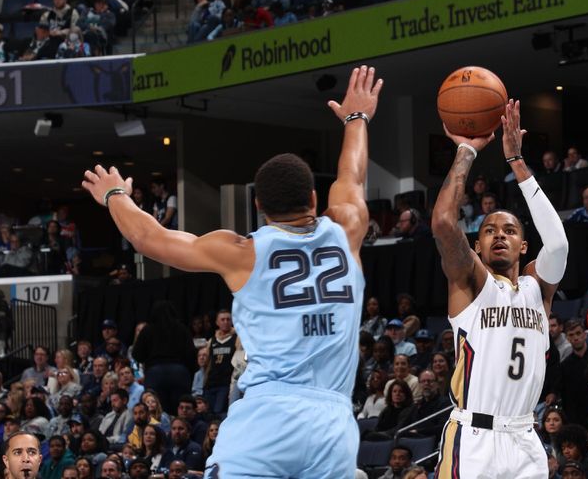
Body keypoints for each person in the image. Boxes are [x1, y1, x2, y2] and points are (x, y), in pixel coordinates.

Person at [82, 66, 382, 477]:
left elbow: (148, 238)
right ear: (314, 196)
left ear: (258, 205)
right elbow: (352, 174)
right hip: (333, 420)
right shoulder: (347, 228)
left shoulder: (242, 252)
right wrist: (356, 119)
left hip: (268, 414)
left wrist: (115, 194)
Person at [430, 99, 568, 479]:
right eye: (489, 230)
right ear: (477, 246)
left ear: (524, 246)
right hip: (474, 438)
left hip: (525, 436)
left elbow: (557, 246)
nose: (499, 236)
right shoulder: (472, 283)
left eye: (510, 231)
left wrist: (517, 163)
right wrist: (467, 151)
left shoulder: (537, 288)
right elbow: (444, 222)